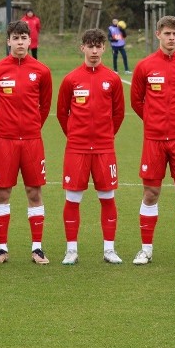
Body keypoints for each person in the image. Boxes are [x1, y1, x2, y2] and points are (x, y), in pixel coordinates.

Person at [130, 15, 175, 265]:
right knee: (150, 193)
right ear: (157, 34)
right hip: (154, 140)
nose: (171, 38)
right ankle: (146, 250)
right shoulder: (145, 66)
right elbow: (137, 101)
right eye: (167, 33)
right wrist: (154, 121)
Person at [0, 20, 53, 264]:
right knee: (3, 192)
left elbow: (45, 106)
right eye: (16, 38)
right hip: (5, 141)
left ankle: (37, 248)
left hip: (33, 140)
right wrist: (4, 128)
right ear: (9, 41)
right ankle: (1, 248)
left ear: (30, 41)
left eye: (24, 38)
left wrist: (32, 127)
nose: (21, 42)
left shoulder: (42, 71)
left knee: (34, 191)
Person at [57, 28, 125, 265]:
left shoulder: (113, 79)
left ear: (104, 48)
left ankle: (109, 250)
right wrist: (76, 136)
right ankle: (71, 250)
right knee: (72, 199)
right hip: (77, 148)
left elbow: (118, 114)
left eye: (98, 46)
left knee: (107, 198)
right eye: (90, 46)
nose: (94, 51)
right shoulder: (71, 79)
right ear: (82, 48)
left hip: (105, 149)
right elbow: (61, 113)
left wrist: (104, 135)